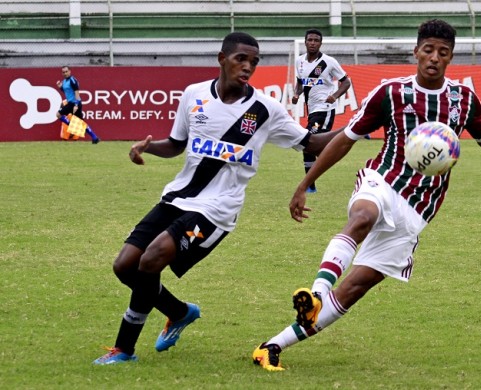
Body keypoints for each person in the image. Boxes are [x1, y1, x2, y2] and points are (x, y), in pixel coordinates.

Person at [252, 19, 481, 371]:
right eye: (429, 50)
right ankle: (315, 292)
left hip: (420, 206)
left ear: (451, 58)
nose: (435, 57)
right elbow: (345, 139)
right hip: (383, 179)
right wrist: (304, 183)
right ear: (416, 51)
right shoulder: (390, 93)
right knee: (362, 216)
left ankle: (272, 346)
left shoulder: (462, 99)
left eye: (443, 52)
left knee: (356, 287)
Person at [92, 32, 338, 365]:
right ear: (222, 59)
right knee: (124, 266)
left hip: (217, 210)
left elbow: (311, 142)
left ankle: (124, 348)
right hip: (178, 197)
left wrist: (359, 126)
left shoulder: (265, 109)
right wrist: (147, 147)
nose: (248, 66)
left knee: (151, 260)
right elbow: (177, 144)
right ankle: (179, 312)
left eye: (254, 61)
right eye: (241, 59)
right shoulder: (194, 95)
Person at [292, 29, 352, 193]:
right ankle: (342, 141)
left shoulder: (329, 62)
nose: (312, 43)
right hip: (311, 109)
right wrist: (297, 93)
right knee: (315, 146)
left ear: (320, 43)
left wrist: (335, 95)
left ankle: (309, 186)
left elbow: (346, 82)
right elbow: (299, 82)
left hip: (324, 109)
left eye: (316, 40)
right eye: (310, 40)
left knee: (307, 142)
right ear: (305, 42)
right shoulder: (299, 61)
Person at [56, 66, 101, 144]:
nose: (65, 73)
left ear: (70, 71)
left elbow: (77, 92)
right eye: (63, 72)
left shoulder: (72, 80)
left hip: (75, 103)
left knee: (61, 115)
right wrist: (60, 87)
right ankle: (94, 137)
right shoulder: (64, 81)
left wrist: (76, 104)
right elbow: (68, 92)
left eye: (66, 71)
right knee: (60, 115)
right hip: (70, 103)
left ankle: (94, 137)